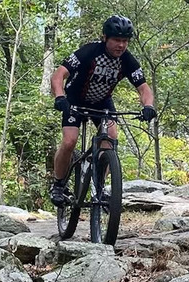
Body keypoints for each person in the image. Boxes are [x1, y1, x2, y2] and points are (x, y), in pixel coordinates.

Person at [49, 15, 156, 207]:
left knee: (111, 138)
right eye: (116, 40)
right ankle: (58, 185)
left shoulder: (128, 61)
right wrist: (59, 96)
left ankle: (99, 186)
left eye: (125, 41)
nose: (121, 45)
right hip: (74, 99)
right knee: (69, 141)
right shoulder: (89, 51)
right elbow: (59, 75)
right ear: (105, 37)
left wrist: (148, 106)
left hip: (102, 102)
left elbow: (143, 88)